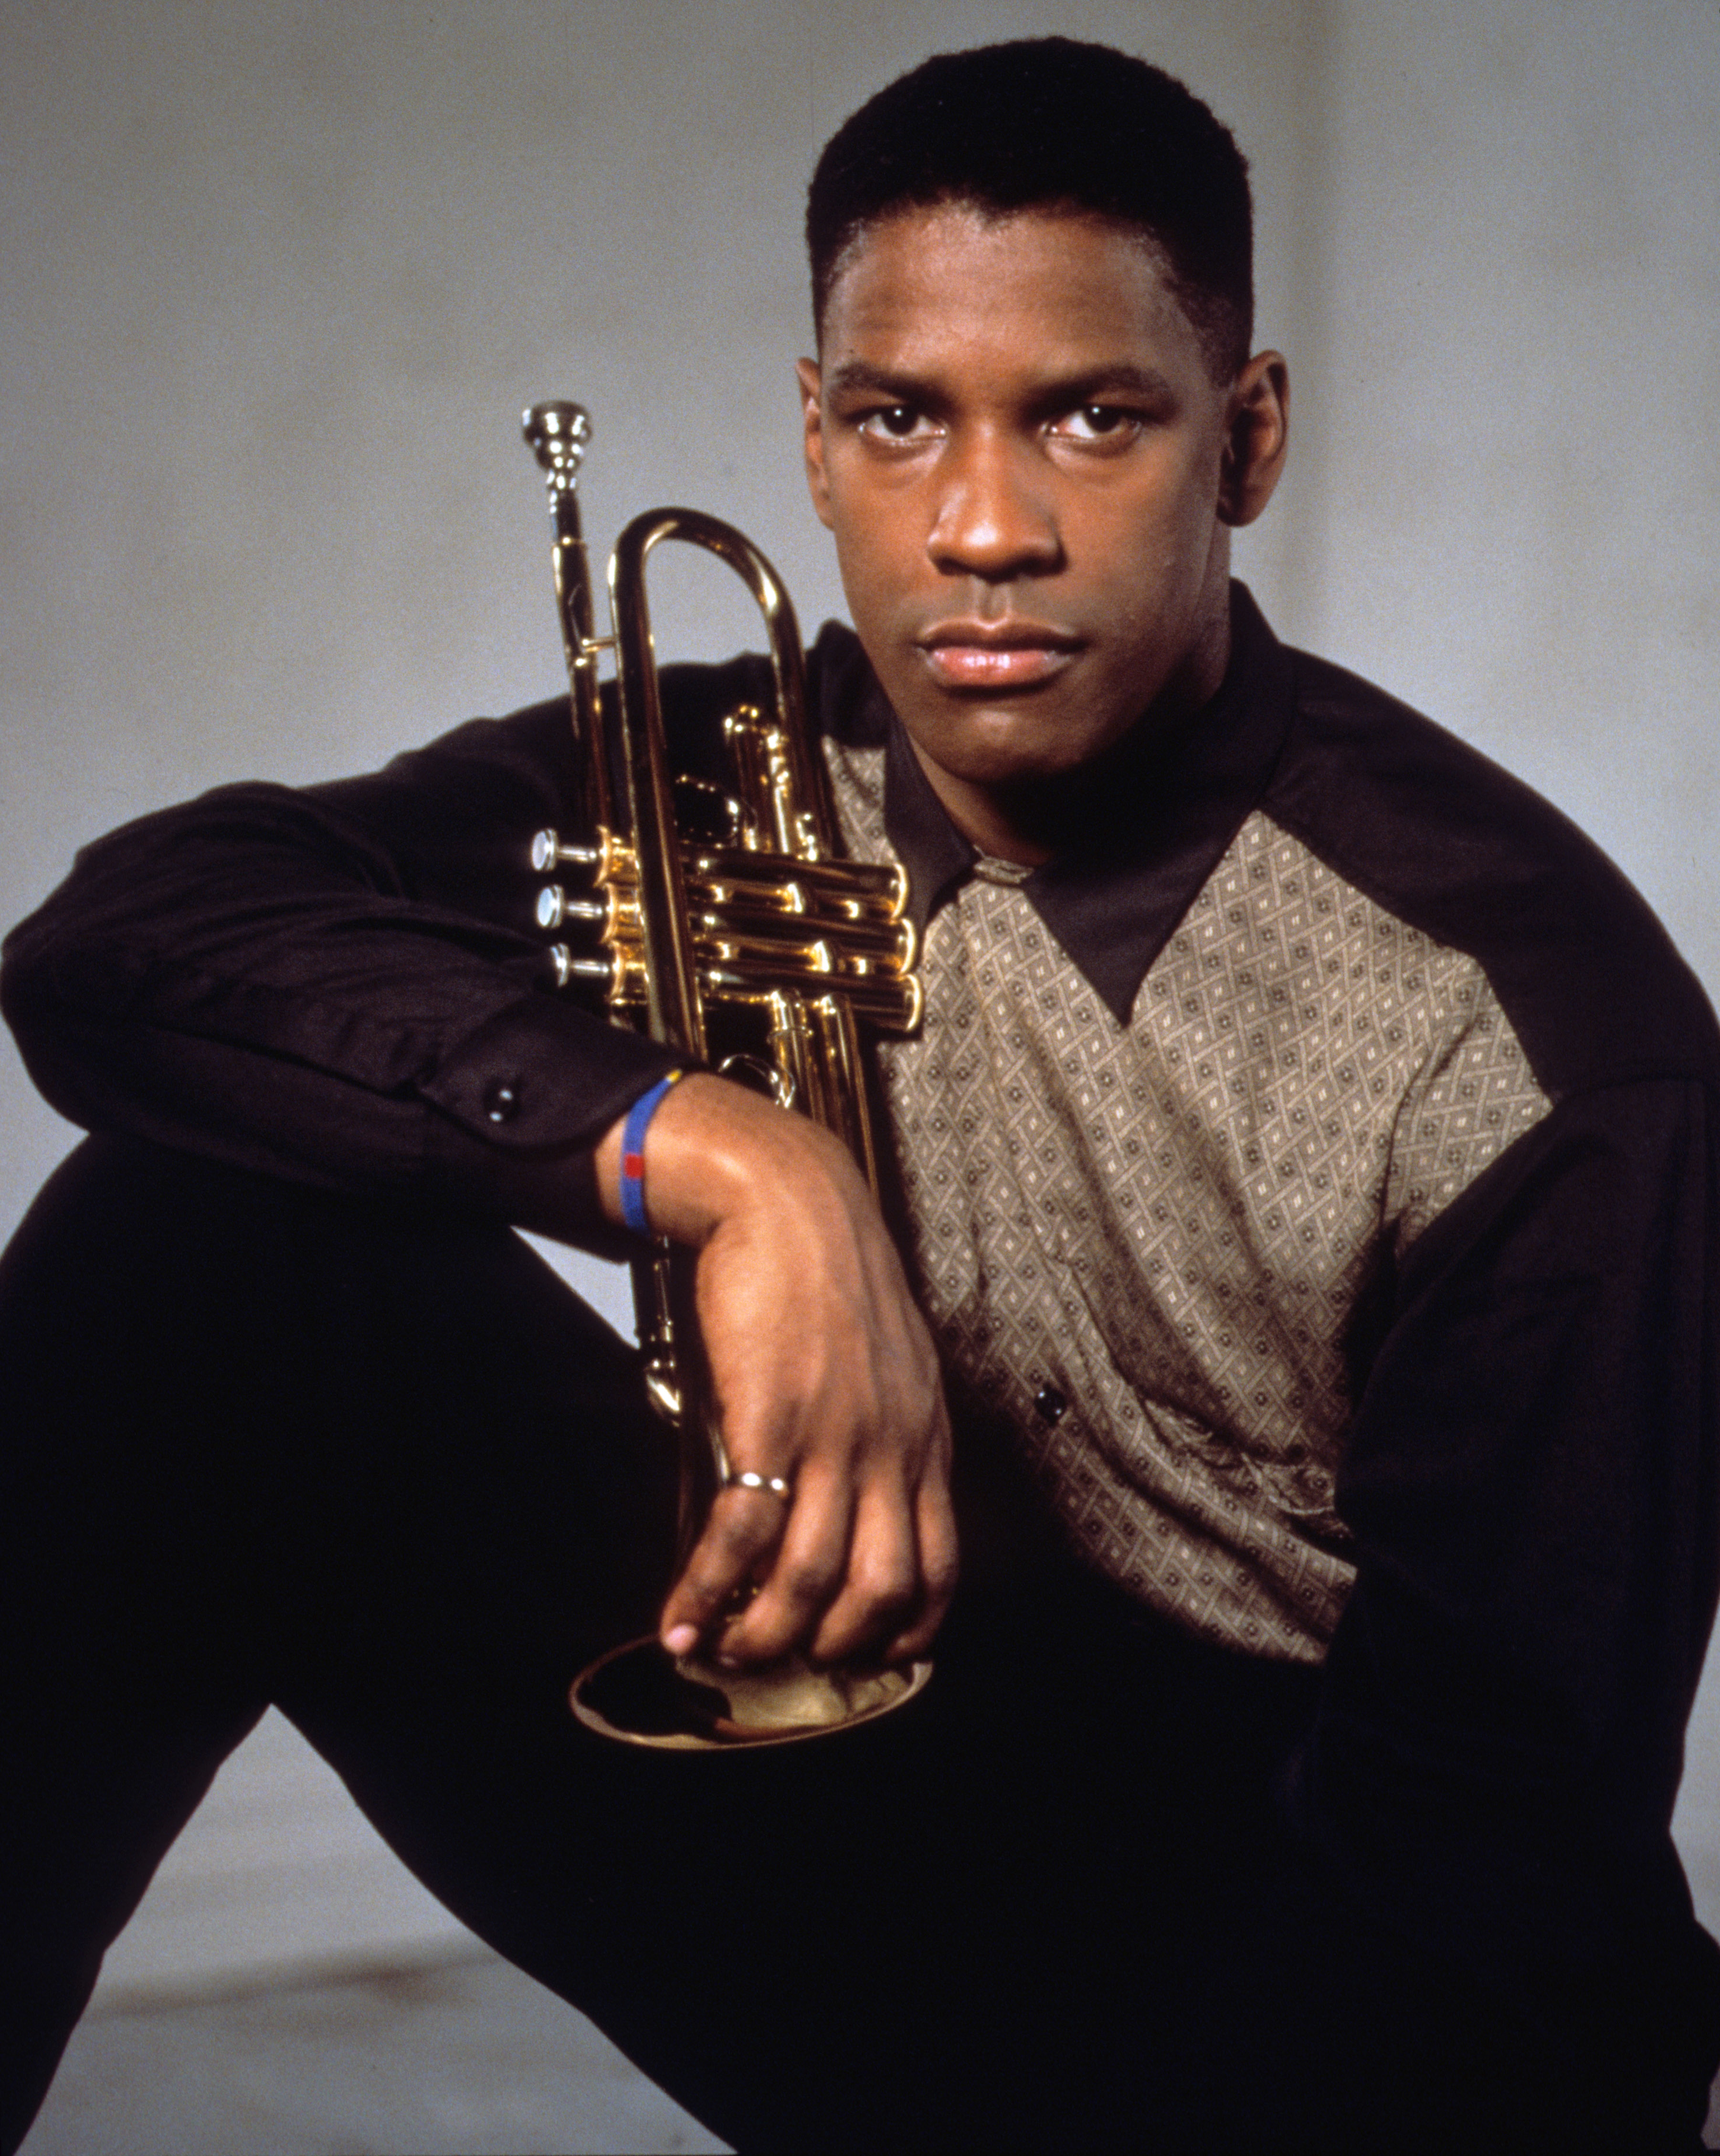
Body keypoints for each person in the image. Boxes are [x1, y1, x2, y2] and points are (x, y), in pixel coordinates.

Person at [2, 34, 1717, 2154]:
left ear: (1246, 440)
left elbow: (1490, 1887)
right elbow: (125, 939)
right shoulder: (728, 775)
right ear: (814, 442)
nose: (983, 529)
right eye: (903, 421)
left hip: (1306, 1978)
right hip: (870, 1768)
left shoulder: (1530, 1025)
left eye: (1091, 418)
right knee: (193, 1256)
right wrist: (723, 1158)